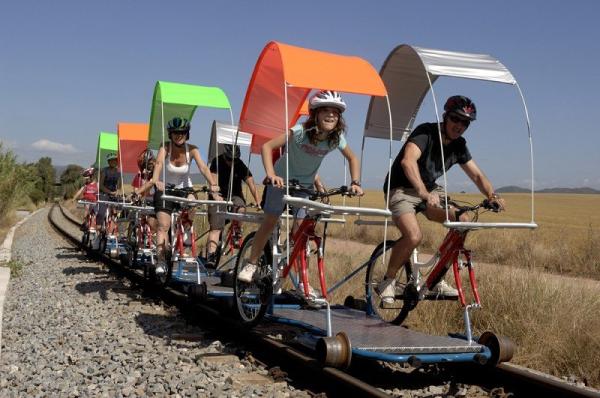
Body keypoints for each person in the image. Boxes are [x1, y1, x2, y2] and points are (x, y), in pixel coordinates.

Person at [377, 95, 506, 303]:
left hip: (430, 192)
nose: (460, 126)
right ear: (446, 117)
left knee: (463, 222)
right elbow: (408, 162)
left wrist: (492, 195)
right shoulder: (426, 132)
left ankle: (436, 279)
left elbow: (477, 175)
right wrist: (423, 193)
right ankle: (388, 280)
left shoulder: (459, 145)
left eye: (465, 123)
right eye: (456, 119)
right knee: (413, 236)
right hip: (401, 189)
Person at [236, 90, 364, 299]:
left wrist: (355, 182)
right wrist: (270, 175)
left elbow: (352, 158)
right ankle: (251, 264)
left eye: (335, 112)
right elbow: (268, 147)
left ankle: (300, 281)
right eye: (325, 111)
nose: (331, 115)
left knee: (302, 233)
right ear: (315, 113)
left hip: (305, 187)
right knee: (270, 221)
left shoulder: (335, 138)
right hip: (281, 182)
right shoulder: (300, 132)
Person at [150, 116, 222, 275]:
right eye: (175, 132)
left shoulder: (192, 149)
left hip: (184, 189)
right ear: (170, 134)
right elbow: (159, 163)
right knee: (163, 225)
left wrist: (213, 184)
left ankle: (187, 232)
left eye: (182, 132)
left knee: (192, 201)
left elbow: (203, 167)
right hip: (165, 189)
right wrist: (156, 180)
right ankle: (161, 259)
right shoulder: (165, 147)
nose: (179, 135)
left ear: (187, 133)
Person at [205, 144, 260, 268]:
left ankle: (236, 231)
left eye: (234, 160)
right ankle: (211, 255)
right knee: (216, 228)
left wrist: (258, 201)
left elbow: (250, 182)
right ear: (224, 155)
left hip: (234, 195)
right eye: (229, 159)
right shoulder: (217, 161)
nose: (232, 162)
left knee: (241, 207)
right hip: (218, 194)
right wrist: (215, 195)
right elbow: (213, 181)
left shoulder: (239, 164)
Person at [97, 152, 122, 228]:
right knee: (101, 212)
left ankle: (114, 227)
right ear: (108, 162)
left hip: (114, 194)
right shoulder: (104, 171)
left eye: (115, 160)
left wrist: (117, 191)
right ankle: (98, 229)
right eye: (111, 160)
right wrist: (110, 192)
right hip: (103, 193)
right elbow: (100, 185)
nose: (114, 162)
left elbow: (119, 185)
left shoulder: (118, 172)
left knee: (120, 209)